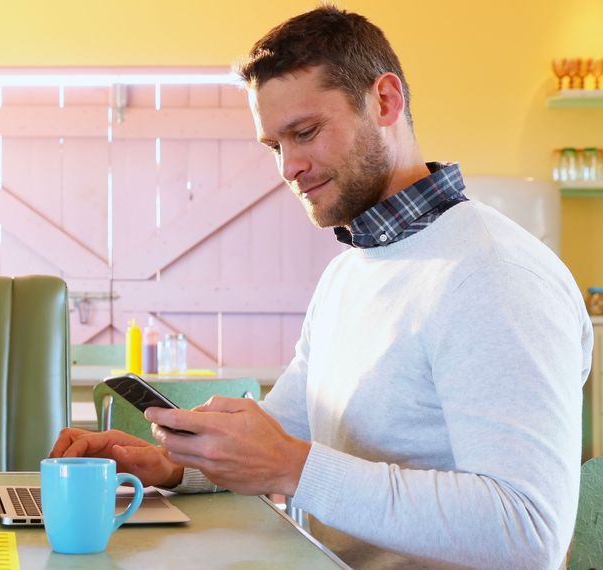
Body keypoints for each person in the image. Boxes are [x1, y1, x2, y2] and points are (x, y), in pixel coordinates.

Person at [50, 6, 593, 569]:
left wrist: (294, 467)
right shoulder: (351, 271)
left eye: (304, 133)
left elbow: (528, 534)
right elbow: (283, 435)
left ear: (385, 101)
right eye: (274, 146)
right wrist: (177, 467)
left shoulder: (494, 275)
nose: (288, 167)